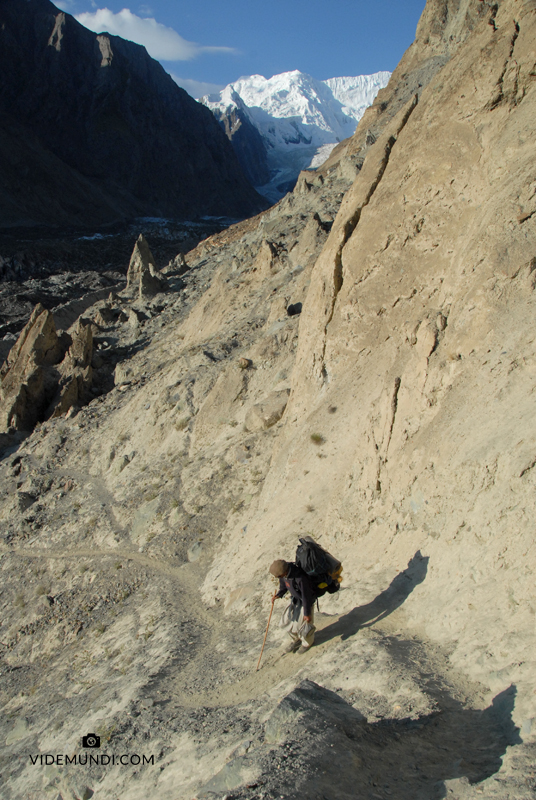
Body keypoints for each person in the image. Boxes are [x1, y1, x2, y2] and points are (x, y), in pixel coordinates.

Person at [269, 559, 317, 654]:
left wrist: (307, 613)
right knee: (287, 622)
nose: (278, 577)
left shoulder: (300, 577)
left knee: (304, 626)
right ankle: (296, 640)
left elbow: (306, 596)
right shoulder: (284, 575)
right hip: (295, 600)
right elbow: (284, 586)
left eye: (278, 576)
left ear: (284, 572)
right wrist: (279, 595)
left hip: (306, 602)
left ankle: (307, 643)